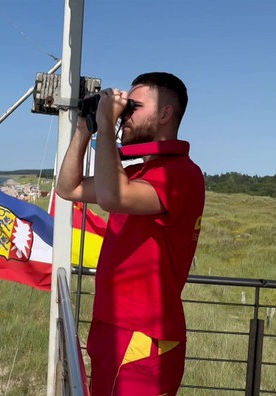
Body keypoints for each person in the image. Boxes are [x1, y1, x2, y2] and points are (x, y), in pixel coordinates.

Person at [56, 72, 205, 395]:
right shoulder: (137, 173)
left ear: (165, 114)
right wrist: (86, 126)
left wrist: (107, 123)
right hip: (113, 325)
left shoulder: (181, 174)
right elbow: (68, 187)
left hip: (144, 337)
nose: (124, 115)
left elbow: (114, 197)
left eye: (133, 107)